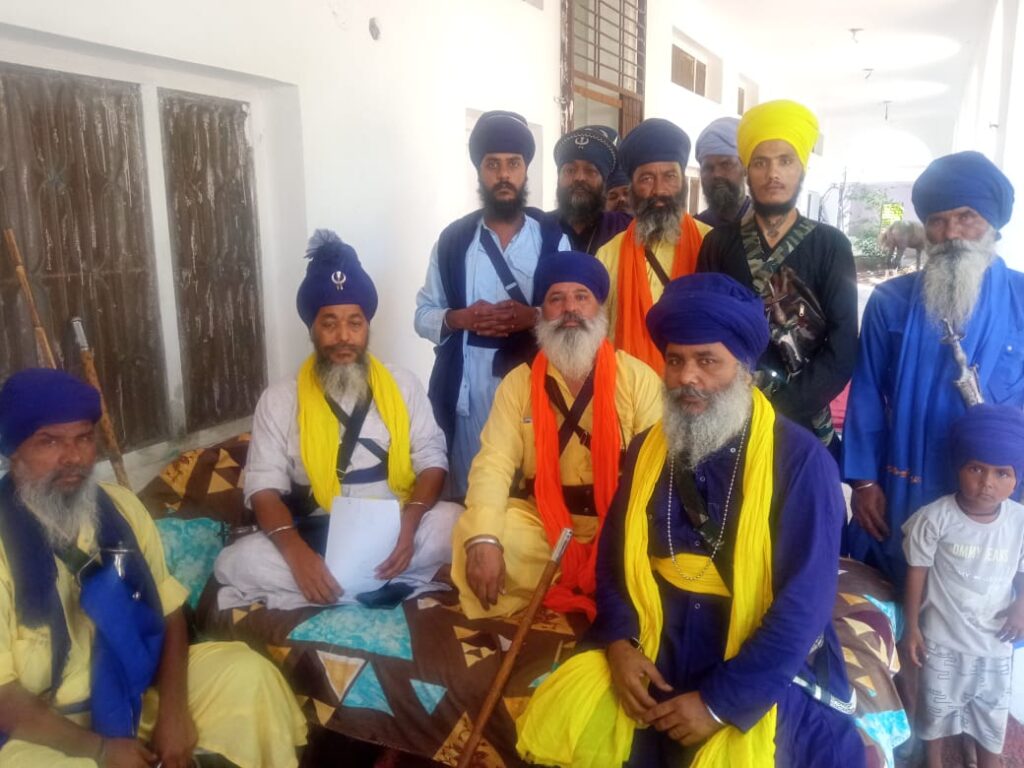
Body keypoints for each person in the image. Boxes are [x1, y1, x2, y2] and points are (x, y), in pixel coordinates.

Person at [518, 273, 862, 767]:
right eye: (676, 360)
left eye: (707, 361)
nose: (687, 377)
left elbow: (805, 605)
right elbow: (614, 562)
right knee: (580, 717)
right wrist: (620, 643)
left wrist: (720, 704)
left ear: (744, 370)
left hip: (753, 658)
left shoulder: (800, 460)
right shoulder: (647, 448)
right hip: (655, 638)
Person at [0, 368, 306, 768]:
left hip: (133, 688)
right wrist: (100, 750)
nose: (72, 457)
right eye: (49, 441)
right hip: (40, 727)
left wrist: (174, 712)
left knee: (247, 675)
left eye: (83, 438)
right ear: (14, 451)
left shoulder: (120, 508)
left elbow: (169, 612)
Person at [215, 231, 460, 610]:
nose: (343, 336)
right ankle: (390, 584)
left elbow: (432, 460)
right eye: (329, 323)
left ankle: (342, 588)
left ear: (367, 327)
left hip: (395, 529)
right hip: (318, 533)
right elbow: (263, 488)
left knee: (453, 522)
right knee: (236, 562)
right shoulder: (279, 398)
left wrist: (410, 526)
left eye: (354, 323)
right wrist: (297, 555)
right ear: (312, 329)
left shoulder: (403, 384)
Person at [843, 151, 1023, 585]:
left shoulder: (1021, 298)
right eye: (938, 221)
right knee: (892, 585)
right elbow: (866, 392)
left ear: (993, 223)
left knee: (980, 599)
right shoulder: (890, 301)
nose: (951, 233)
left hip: (995, 490)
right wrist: (864, 482)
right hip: (904, 481)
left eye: (966, 218)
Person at [452, 250, 661, 619]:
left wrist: (624, 535)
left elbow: (658, 469)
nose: (570, 309)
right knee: (481, 537)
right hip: (544, 525)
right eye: (556, 299)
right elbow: (494, 462)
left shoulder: (637, 378)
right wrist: (484, 538)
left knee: (653, 553)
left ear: (599, 309)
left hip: (618, 523)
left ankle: (588, 579)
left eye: (581, 297)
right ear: (542, 313)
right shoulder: (518, 383)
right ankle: (581, 583)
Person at [415, 110, 567, 499]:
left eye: (513, 164)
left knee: (531, 494)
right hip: (469, 396)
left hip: (535, 390)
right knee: (474, 492)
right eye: (492, 164)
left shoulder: (552, 239)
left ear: (525, 171)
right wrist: (459, 318)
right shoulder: (453, 241)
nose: (503, 175)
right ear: (479, 171)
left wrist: (534, 316)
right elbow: (424, 314)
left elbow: (574, 314)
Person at [698, 100, 857, 454]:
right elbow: (705, 330)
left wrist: (783, 408)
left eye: (785, 161)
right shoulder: (718, 244)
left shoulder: (831, 245)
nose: (773, 174)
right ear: (746, 171)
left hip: (803, 419)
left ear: (802, 169)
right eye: (761, 162)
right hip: (730, 414)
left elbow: (843, 345)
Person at [902, 404, 1024, 768]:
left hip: (995, 642)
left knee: (991, 714)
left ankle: (988, 761)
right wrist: (912, 627)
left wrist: (1021, 606)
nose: (987, 483)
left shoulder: (1019, 522)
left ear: (1017, 479)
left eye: (1002, 473)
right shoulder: (935, 518)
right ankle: (933, 760)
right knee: (935, 708)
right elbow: (916, 572)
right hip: (942, 640)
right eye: (976, 469)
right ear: (958, 467)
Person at [596, 118, 711, 372]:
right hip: (628, 389)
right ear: (632, 188)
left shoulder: (711, 243)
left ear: (683, 181)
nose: (659, 190)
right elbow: (598, 337)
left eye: (669, 176)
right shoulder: (608, 254)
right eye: (647, 178)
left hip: (694, 386)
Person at [550, 125, 631, 255]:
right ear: (558, 178)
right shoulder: (540, 227)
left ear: (604, 183)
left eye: (590, 171)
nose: (579, 178)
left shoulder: (625, 227)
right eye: (570, 170)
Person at [693, 116, 750, 227]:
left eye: (726, 164)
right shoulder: (694, 229)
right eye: (708, 167)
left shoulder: (768, 227)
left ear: (744, 168)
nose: (717, 174)